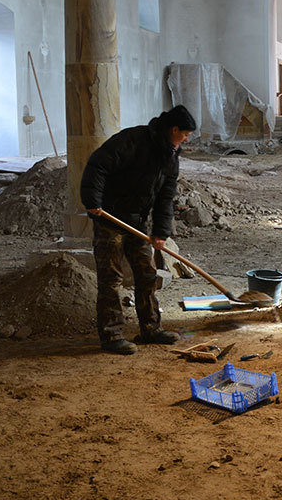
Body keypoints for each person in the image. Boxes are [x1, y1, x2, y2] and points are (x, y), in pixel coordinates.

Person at [80, 105, 197, 355]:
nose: (187, 139)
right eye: (185, 133)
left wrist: (161, 232)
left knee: (147, 274)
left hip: (137, 223)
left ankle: (150, 329)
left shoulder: (171, 156)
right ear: (174, 129)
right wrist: (92, 201)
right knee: (111, 279)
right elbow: (98, 165)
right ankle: (111, 335)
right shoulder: (133, 140)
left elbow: (166, 196)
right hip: (110, 219)